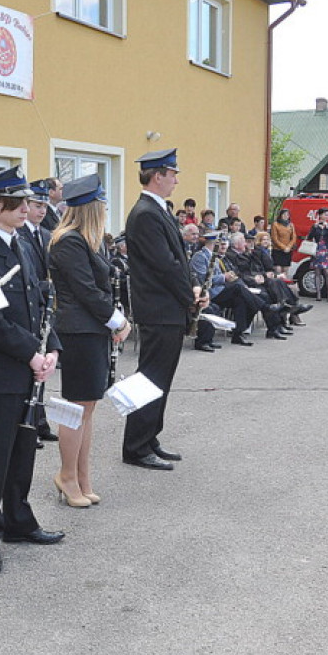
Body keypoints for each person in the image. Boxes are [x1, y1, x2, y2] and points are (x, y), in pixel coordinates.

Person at [0, 166, 63, 574]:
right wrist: (30, 354)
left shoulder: (24, 243)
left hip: (27, 368)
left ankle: (19, 520)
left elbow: (41, 299)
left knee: (23, 450)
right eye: (16, 202)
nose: (27, 208)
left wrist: (51, 347)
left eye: (27, 202)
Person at [49, 174, 131, 500]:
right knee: (76, 408)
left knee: (88, 407)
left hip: (91, 330)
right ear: (90, 208)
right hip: (78, 331)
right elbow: (86, 291)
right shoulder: (69, 241)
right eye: (102, 204)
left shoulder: (88, 239)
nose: (106, 209)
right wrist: (118, 322)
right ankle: (67, 476)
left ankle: (82, 477)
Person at [122, 150, 198, 471]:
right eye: (173, 174)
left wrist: (193, 286)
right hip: (158, 309)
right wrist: (190, 297)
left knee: (160, 379)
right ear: (157, 176)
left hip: (167, 308)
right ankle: (136, 447)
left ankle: (150, 435)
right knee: (150, 378)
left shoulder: (159, 210)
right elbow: (165, 266)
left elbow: (178, 258)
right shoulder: (145, 214)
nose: (176, 181)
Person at [18, 178, 59, 444]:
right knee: (29, 370)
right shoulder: (19, 233)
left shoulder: (45, 234)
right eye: (36, 204)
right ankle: (29, 421)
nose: (42, 210)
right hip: (31, 303)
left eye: (45, 205)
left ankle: (40, 419)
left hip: (45, 306)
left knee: (43, 364)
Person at [305, 207, 328, 302]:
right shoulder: (315, 226)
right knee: (317, 272)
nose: (327, 216)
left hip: (326, 250)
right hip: (317, 250)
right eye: (325, 214)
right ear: (320, 215)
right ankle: (318, 294)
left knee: (327, 272)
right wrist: (314, 228)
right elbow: (310, 237)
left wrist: (327, 228)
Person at [270, 208, 297, 276]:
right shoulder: (275, 224)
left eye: (287, 215)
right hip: (278, 249)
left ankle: (284, 284)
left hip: (288, 250)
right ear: (280, 215)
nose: (286, 216)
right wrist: (283, 247)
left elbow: (293, 237)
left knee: (286, 269)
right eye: (284, 214)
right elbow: (274, 238)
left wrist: (289, 247)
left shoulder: (291, 225)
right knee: (278, 269)